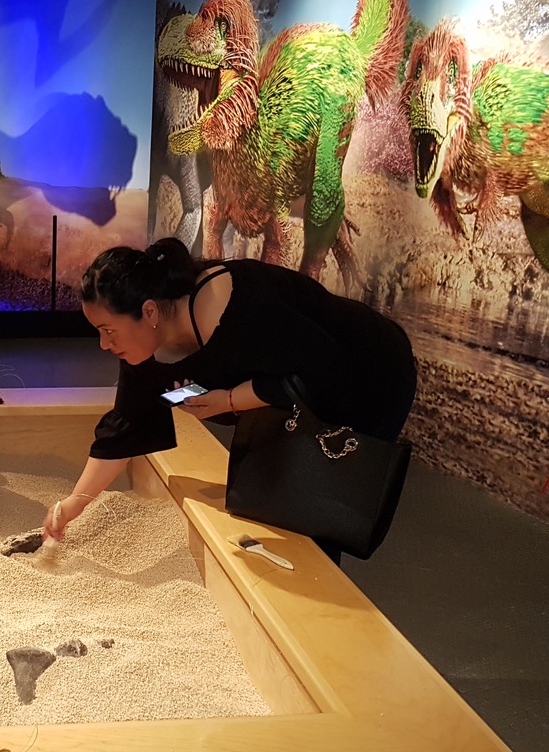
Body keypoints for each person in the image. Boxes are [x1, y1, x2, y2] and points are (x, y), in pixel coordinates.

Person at [44, 238, 417, 563]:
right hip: (295, 385)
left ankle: (320, 602)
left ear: (149, 312)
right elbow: (129, 422)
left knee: (321, 498)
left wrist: (230, 400)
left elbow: (322, 368)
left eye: (109, 331)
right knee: (279, 497)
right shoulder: (143, 349)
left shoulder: (235, 309)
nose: (104, 344)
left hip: (367, 368)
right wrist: (76, 502)